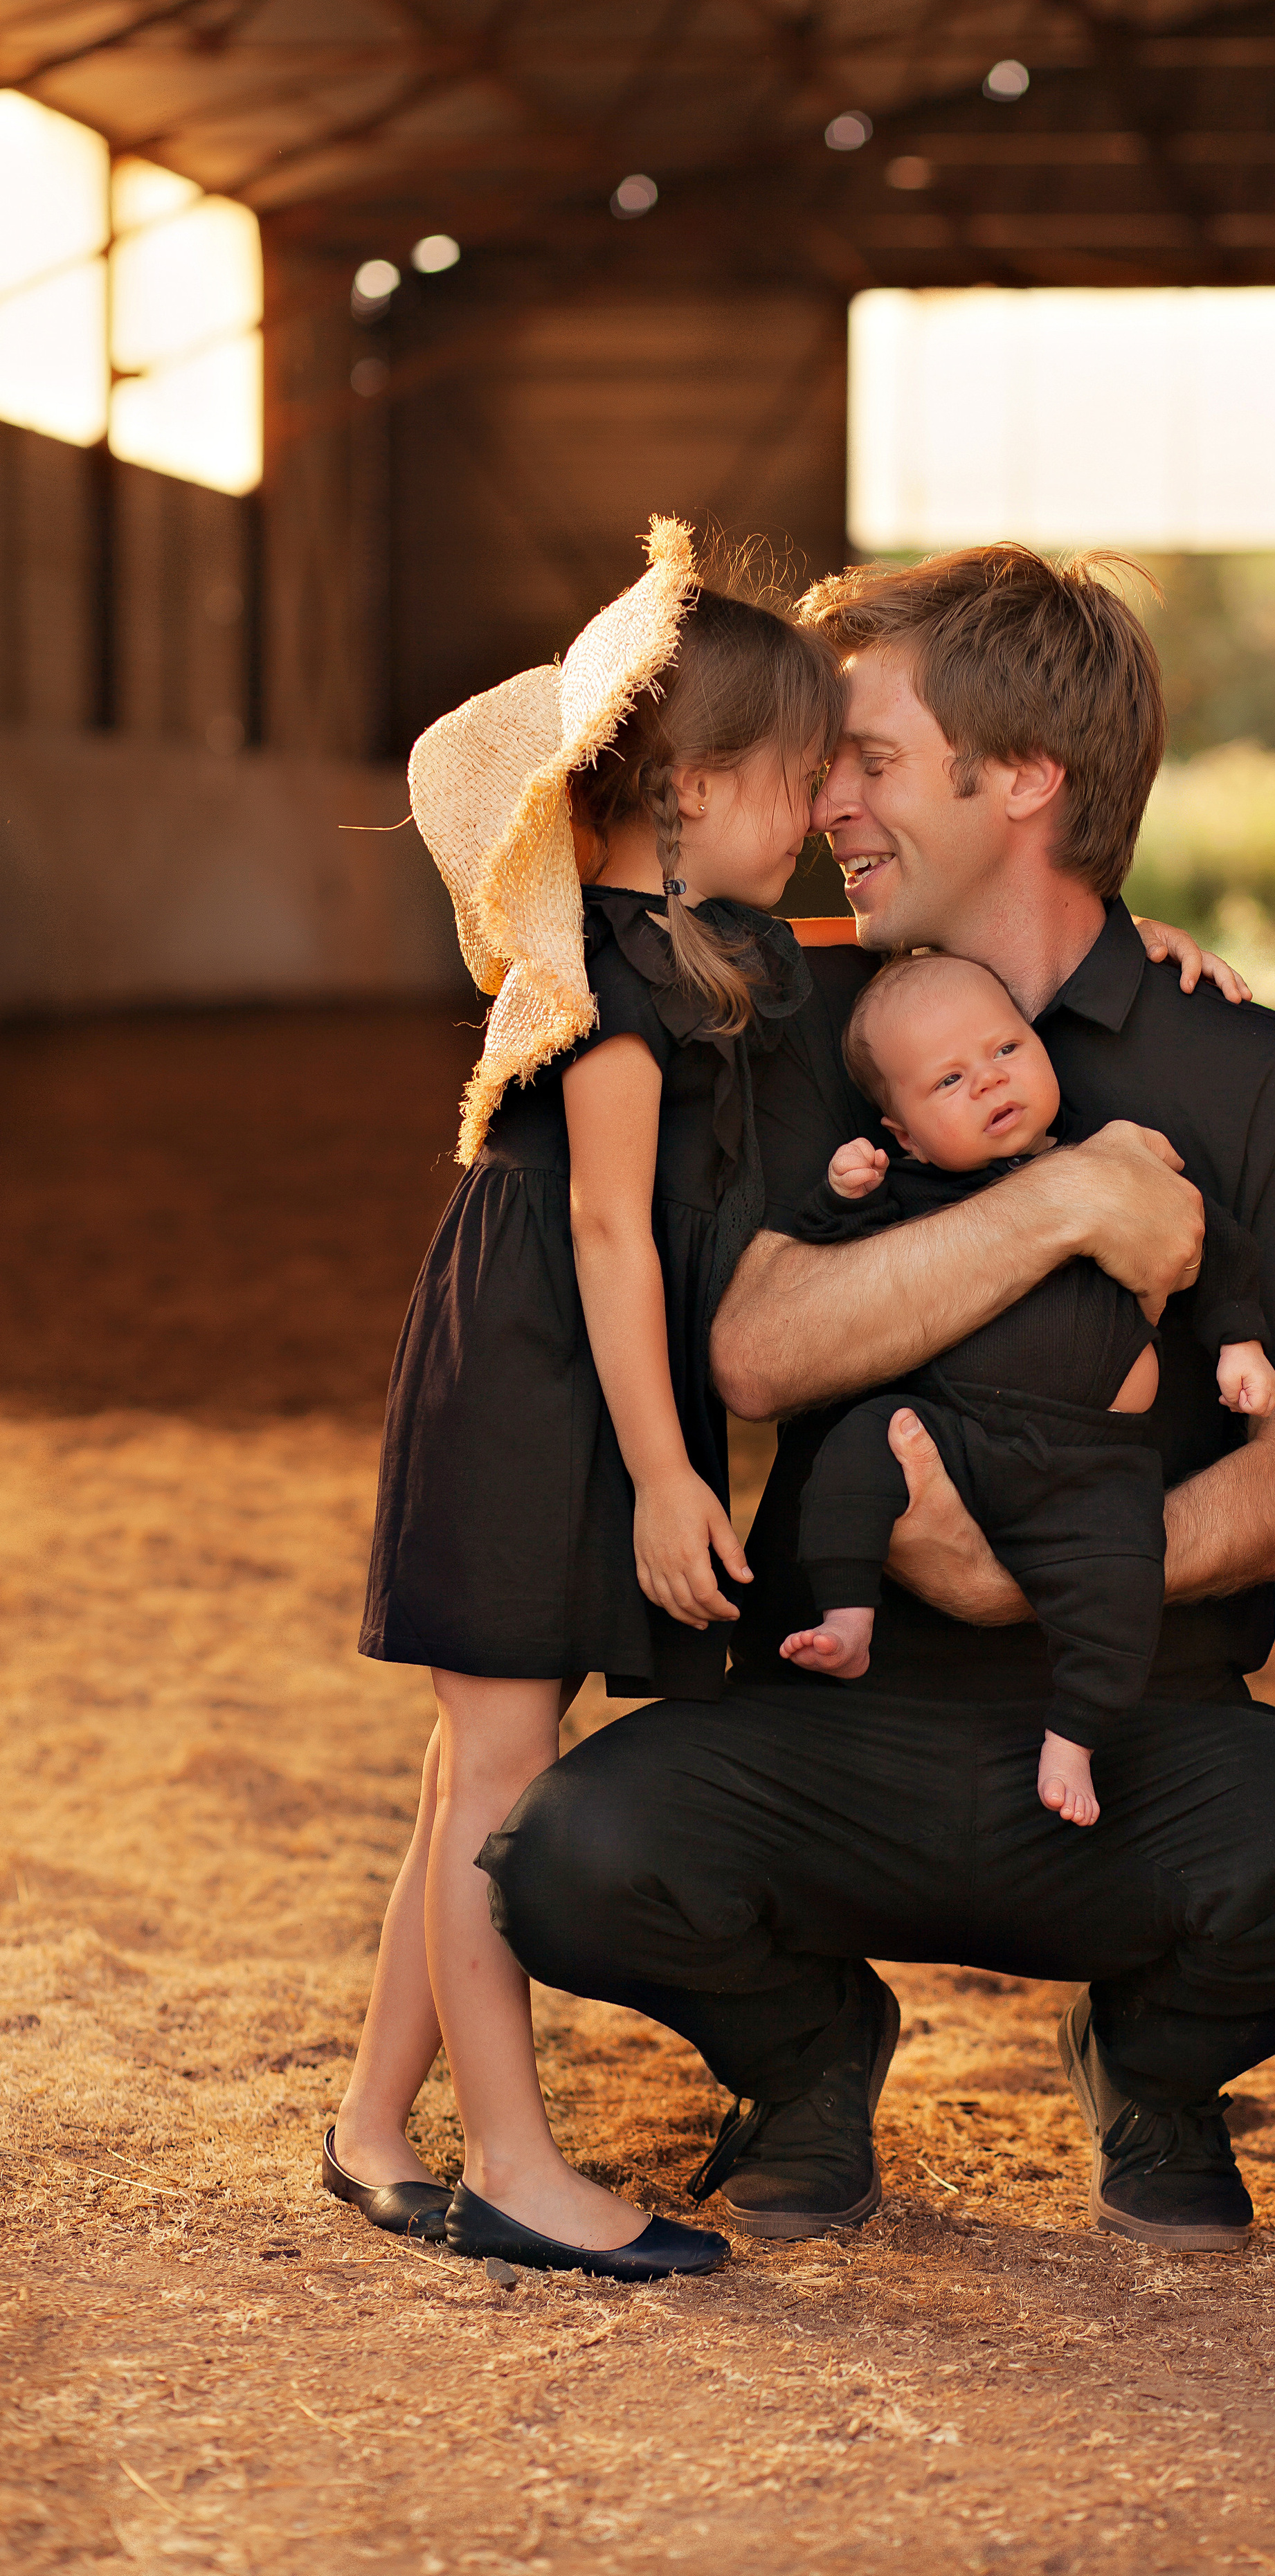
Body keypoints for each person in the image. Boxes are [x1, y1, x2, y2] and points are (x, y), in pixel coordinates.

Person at [480, 542, 1275, 2256]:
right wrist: (1059, 1199)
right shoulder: (795, 1020)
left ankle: (1148, 2064)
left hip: (1139, 1728)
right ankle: (805, 2055)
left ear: (1021, 779)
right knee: (565, 1853)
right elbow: (754, 1353)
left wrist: (1052, 1575)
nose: (824, 801)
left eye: (860, 757)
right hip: (827, 1714)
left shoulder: (1262, 1073)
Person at [325, 520, 842, 2279]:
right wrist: (657, 1475)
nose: (814, 817)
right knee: (497, 1765)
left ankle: (375, 2125)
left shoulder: (690, 950)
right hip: (541, 1386)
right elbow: (615, 1233)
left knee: (470, 1756)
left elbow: (826, 979)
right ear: (690, 789)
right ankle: (515, 2166)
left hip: (560, 1368)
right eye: (796, 784)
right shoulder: (615, 996)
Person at [779, 947, 1275, 1833]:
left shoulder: (1114, 1167)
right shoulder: (916, 1195)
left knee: (1124, 1577)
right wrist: (839, 1191)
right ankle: (848, 1618)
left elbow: (1218, 1242)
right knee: (856, 1451)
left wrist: (1239, 1343)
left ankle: (1074, 1737)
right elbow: (827, 1263)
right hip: (959, 1434)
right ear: (902, 1134)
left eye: (1005, 1049)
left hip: (1095, 1457)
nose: (988, 1083)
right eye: (948, 1081)